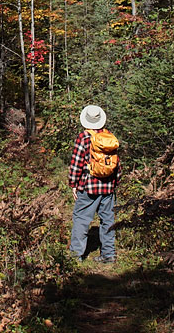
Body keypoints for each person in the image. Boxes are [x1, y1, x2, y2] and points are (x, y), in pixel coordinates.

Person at [68, 104, 121, 263]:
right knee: (108, 221)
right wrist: (114, 182)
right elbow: (116, 164)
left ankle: (75, 257)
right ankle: (109, 255)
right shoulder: (109, 137)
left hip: (88, 187)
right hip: (108, 187)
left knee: (81, 220)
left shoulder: (83, 138)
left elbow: (76, 164)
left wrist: (73, 184)